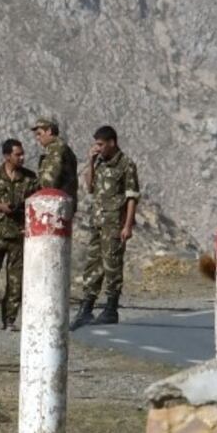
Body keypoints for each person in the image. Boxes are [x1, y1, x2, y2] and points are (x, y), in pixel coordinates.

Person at [71, 126, 139, 329]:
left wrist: (127, 226)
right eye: (96, 144)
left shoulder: (126, 164)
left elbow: (132, 197)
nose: (97, 148)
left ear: (112, 142)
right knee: (93, 264)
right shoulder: (99, 162)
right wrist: (91, 162)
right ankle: (87, 308)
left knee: (112, 266)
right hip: (98, 222)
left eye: (101, 144)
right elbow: (90, 187)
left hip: (115, 224)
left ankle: (111, 309)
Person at [0, 138, 38, 329]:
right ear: (6, 156)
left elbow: (36, 204)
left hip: (18, 235)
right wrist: (0, 207)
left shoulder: (30, 178)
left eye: (22, 154)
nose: (22, 157)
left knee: (16, 282)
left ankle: (9, 320)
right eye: (17, 154)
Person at [30, 116, 78, 201]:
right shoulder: (62, 147)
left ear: (49, 131)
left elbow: (48, 182)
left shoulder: (56, 149)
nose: (37, 138)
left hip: (55, 202)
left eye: (39, 134)